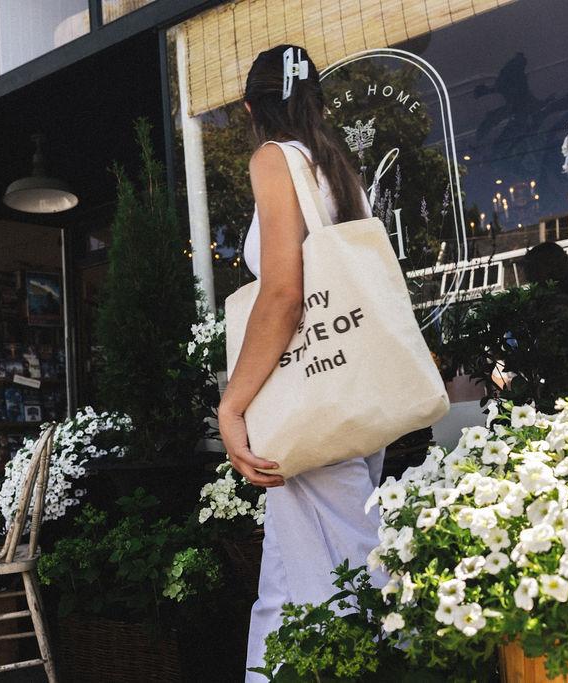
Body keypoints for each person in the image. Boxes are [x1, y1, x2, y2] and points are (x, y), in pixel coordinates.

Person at [217, 45, 385, 681]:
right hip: (351, 388)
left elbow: (283, 291)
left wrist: (233, 404)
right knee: (287, 585)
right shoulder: (337, 170)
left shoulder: (273, 159)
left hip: (308, 394)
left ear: (251, 106)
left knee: (358, 584)